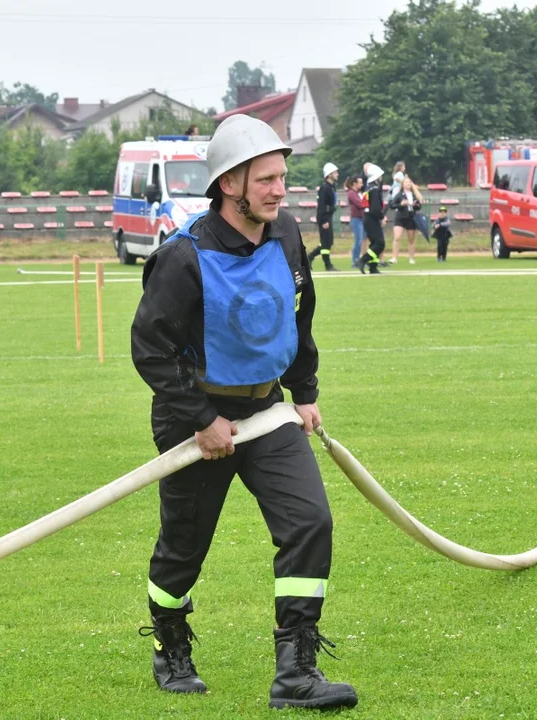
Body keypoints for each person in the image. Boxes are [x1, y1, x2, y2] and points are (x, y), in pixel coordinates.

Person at [130, 113, 358, 711]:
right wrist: (203, 420)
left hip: (268, 415)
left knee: (310, 523)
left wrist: (303, 390)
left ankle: (296, 674)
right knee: (183, 547)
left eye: (283, 178)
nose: (280, 191)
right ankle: (171, 646)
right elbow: (151, 351)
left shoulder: (285, 238)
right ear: (230, 184)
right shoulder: (182, 257)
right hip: (194, 421)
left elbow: (298, 316)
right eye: (267, 180)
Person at [307, 162, 339, 271]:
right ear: (329, 174)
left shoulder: (331, 187)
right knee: (326, 242)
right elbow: (322, 206)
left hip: (327, 217)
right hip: (324, 218)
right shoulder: (325, 188)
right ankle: (327, 264)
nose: (337, 174)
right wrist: (324, 220)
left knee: (327, 242)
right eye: (335, 172)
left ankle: (310, 257)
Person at [356, 164, 387, 274]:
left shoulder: (368, 187)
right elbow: (376, 208)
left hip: (367, 218)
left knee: (374, 243)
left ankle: (373, 267)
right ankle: (363, 260)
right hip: (372, 218)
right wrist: (382, 217)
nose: (381, 178)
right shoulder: (374, 189)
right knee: (380, 244)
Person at [390, 176, 423, 264]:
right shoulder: (399, 194)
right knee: (397, 237)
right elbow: (392, 205)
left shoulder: (414, 195)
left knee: (411, 239)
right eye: (406, 182)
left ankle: (411, 258)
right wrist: (401, 204)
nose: (408, 184)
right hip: (400, 217)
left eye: (409, 182)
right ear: (403, 184)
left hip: (411, 217)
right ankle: (394, 257)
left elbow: (419, 206)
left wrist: (416, 205)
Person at [345, 176, 365, 268]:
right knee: (358, 240)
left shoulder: (358, 193)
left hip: (361, 219)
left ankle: (357, 260)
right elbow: (360, 204)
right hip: (356, 219)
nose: (362, 184)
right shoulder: (351, 193)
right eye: (360, 183)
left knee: (360, 240)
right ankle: (355, 261)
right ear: (354, 184)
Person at [389, 161, 406, 264]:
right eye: (404, 166)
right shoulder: (399, 174)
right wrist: (403, 181)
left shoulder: (398, 174)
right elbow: (396, 178)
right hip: (396, 191)